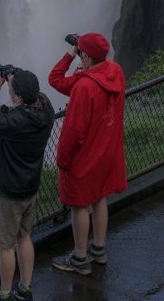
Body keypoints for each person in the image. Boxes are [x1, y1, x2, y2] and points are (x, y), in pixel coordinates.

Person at [0, 67, 55, 301]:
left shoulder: (14, 122)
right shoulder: (46, 109)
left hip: (9, 191)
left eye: (12, 88)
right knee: (24, 237)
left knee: (6, 245)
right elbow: (29, 89)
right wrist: (12, 74)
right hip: (30, 186)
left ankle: (5, 296)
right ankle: (25, 290)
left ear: (18, 95)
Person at [49, 32, 126, 275]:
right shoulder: (115, 72)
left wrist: (62, 160)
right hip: (106, 153)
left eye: (81, 51)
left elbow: (73, 131)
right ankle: (98, 249)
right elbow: (58, 81)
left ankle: (79, 258)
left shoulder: (84, 86)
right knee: (100, 197)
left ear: (88, 56)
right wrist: (79, 54)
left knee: (80, 205)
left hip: (85, 157)